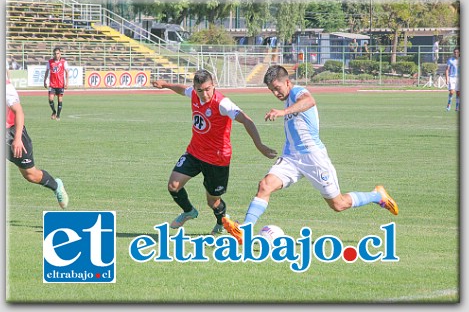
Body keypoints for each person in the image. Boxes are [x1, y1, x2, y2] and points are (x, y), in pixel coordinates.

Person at [222, 65, 398, 244]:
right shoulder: (287, 99)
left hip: (313, 157)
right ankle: (245, 230)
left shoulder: (298, 92)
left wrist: (283, 112)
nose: (275, 93)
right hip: (291, 157)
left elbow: (309, 101)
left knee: (338, 204)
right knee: (265, 185)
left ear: (288, 82)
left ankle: (378, 196)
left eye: (277, 88)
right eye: (271, 90)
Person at [151, 69, 277, 235]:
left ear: (213, 85)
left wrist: (259, 145)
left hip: (217, 159)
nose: (204, 94)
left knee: (213, 201)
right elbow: (181, 89)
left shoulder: (223, 103)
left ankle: (221, 222)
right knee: (173, 186)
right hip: (195, 152)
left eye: (208, 89)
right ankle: (189, 211)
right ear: (195, 88)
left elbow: (246, 119)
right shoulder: (194, 94)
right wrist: (165, 85)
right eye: (200, 90)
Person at [6, 76, 69, 209]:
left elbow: (19, 112)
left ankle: (56, 185)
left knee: (30, 175)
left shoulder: (5, 87)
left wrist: (17, 139)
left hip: (12, 134)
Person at [43, 47, 69, 121]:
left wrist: (67, 83)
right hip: (52, 84)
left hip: (60, 84)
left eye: (57, 53)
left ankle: (58, 115)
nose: (56, 55)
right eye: (55, 54)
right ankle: (54, 111)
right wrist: (44, 81)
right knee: (50, 99)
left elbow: (67, 72)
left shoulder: (64, 62)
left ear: (60, 53)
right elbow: (47, 71)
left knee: (60, 100)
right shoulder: (50, 62)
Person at [445, 47, 460, 112]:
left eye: (457, 52)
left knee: (458, 93)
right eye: (455, 52)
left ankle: (457, 106)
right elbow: (447, 70)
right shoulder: (450, 60)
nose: (456, 53)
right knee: (452, 92)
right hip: (452, 77)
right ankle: (449, 104)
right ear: (453, 53)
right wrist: (447, 79)